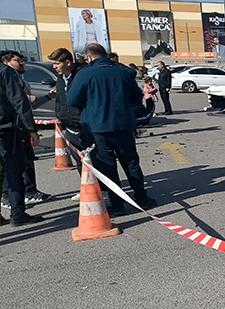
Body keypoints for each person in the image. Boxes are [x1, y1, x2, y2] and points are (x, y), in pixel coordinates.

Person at [67, 43, 157, 216]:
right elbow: (136, 97)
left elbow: (72, 100)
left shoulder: (84, 74)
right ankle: (142, 197)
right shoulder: (124, 73)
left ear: (90, 57)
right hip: (123, 126)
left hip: (97, 128)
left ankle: (117, 204)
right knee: (131, 163)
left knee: (107, 166)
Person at [0, 51, 52, 208]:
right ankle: (14, 203)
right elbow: (19, 102)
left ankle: (26, 192)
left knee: (20, 162)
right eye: (18, 61)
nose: (22, 63)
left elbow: (26, 103)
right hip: (10, 127)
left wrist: (47, 97)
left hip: (12, 125)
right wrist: (31, 128)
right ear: (6, 61)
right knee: (13, 165)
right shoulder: (7, 73)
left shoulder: (19, 78)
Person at [48, 47, 93, 200]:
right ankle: (86, 188)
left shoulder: (81, 76)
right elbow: (60, 100)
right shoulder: (60, 79)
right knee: (79, 161)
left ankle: (103, 191)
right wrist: (60, 115)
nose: (54, 67)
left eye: (56, 63)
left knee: (94, 160)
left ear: (68, 62)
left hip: (85, 126)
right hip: (70, 126)